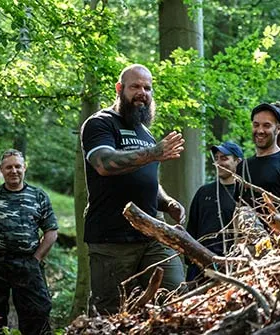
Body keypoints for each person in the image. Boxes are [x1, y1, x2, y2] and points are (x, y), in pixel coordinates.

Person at [81, 64, 186, 315]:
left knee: (174, 297)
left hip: (152, 234)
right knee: (111, 312)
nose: (142, 92)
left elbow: (147, 180)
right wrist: (154, 153)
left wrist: (167, 202)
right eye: (135, 86)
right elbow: (104, 164)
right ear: (119, 89)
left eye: (147, 88)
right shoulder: (101, 123)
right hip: (112, 239)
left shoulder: (146, 133)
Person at [0, 149, 58, 335]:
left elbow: (51, 232)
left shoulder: (39, 196)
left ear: (24, 168)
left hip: (28, 263)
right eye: (8, 167)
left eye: (18, 166)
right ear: (1, 170)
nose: (14, 171)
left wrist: (36, 259)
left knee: (37, 315)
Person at [186, 141, 243, 281]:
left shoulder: (245, 193)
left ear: (237, 161)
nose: (219, 162)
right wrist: (190, 259)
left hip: (231, 267)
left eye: (224, 158)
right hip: (199, 267)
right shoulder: (203, 192)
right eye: (216, 158)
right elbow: (192, 228)